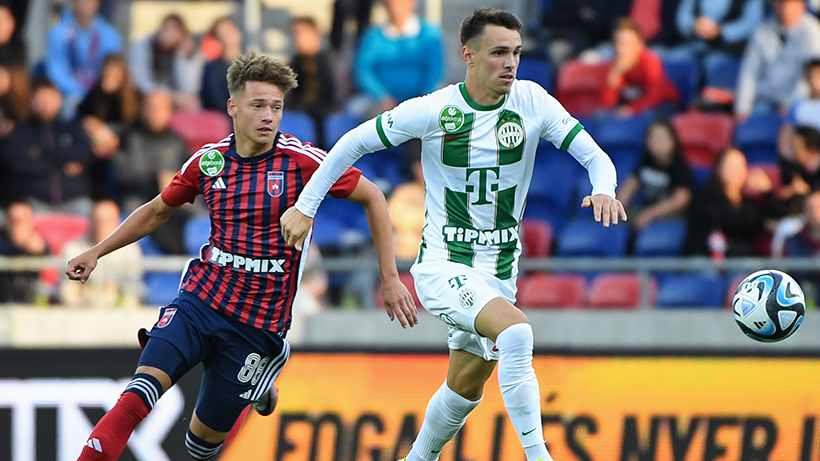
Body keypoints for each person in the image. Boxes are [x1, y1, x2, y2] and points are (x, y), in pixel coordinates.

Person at [281, 8, 626, 461]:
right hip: (444, 265)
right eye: (498, 52)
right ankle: (538, 456)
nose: (510, 63)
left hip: (499, 271)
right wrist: (306, 206)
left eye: (516, 53)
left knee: (464, 388)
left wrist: (604, 189)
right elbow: (353, 142)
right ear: (468, 55)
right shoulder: (436, 110)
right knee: (517, 335)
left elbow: (596, 157)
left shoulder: (532, 102)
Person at [66, 52, 416, 461]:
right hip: (201, 302)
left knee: (200, 447)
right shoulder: (210, 161)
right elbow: (158, 210)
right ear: (233, 106)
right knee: (137, 396)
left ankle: (260, 385)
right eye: (258, 105)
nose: (268, 116)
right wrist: (98, 251)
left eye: (276, 107)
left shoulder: (302, 162)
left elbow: (373, 197)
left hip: (257, 325)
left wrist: (389, 278)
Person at [2, 79, 94, 216]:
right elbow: (19, 164)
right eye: (40, 98)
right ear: (31, 101)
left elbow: (85, 156)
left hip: (76, 201)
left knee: (101, 213)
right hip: (35, 202)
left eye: (50, 97)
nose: (45, 103)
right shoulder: (20, 132)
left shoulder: (74, 129)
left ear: (60, 99)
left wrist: (42, 153)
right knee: (18, 213)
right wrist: (62, 164)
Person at [684, 147, 785, 257]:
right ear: (718, 168)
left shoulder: (747, 205)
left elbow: (780, 216)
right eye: (729, 166)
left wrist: (767, 192)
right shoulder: (705, 198)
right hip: (702, 259)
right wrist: (759, 222)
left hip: (737, 261)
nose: (734, 171)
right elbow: (729, 221)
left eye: (740, 166)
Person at [351, 0, 443, 119]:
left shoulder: (429, 35)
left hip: (421, 100)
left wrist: (424, 98)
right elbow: (363, 69)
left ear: (411, 4)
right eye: (391, 4)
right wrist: (381, 96)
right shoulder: (373, 36)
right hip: (381, 102)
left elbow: (436, 70)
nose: (395, 8)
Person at [735, 0, 820, 121]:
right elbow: (750, 71)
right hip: (765, 99)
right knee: (752, 123)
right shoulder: (762, 30)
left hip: (799, 102)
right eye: (781, 3)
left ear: (801, 5)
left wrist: (791, 103)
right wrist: (742, 107)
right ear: (774, 4)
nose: (785, 8)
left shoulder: (812, 31)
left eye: (790, 4)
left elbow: (813, 75)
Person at [44, 0, 123, 120]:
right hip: (69, 94)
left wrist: (95, 91)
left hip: (99, 92)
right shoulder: (58, 32)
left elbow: (113, 69)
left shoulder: (110, 35)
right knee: (70, 104)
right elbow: (56, 71)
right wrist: (80, 91)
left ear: (97, 3)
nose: (85, 4)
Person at [60, 200, 142, 308]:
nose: (100, 226)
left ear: (117, 223)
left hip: (118, 312)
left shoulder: (129, 251)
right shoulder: (73, 249)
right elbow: (68, 291)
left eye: (106, 221)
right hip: (82, 310)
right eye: (97, 221)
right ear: (90, 222)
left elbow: (132, 291)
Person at [617, 118, 693, 230]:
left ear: (673, 140)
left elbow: (681, 199)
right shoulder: (646, 162)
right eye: (652, 138)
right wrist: (617, 207)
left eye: (661, 138)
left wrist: (651, 213)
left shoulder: (678, 166)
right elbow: (629, 186)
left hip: (668, 215)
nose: (656, 143)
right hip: (644, 209)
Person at [601, 18, 680, 117]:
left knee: (648, 115)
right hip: (632, 107)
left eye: (627, 44)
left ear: (640, 44)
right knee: (601, 115)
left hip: (662, 105)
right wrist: (614, 75)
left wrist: (632, 109)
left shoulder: (650, 61)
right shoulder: (615, 66)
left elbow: (655, 96)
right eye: (618, 43)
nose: (621, 49)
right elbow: (607, 104)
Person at [129, 13, 204, 112]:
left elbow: (189, 88)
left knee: (194, 105)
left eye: (174, 30)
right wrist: (170, 96)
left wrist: (182, 57)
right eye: (166, 28)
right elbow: (140, 82)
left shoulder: (189, 52)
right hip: (148, 99)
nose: (168, 34)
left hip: (177, 102)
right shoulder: (144, 46)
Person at [288, 16, 339, 149]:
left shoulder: (327, 60)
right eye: (295, 35)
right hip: (300, 108)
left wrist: (334, 105)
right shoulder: (295, 61)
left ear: (315, 35)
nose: (298, 40)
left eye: (302, 35)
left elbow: (333, 86)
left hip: (323, 107)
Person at [674, 0, 764, 60]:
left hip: (731, 49)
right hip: (695, 43)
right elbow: (683, 17)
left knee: (716, 64)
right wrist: (695, 25)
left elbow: (751, 24)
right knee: (677, 60)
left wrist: (720, 31)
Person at [0, 202, 47, 303]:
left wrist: (40, 250)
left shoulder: (39, 240)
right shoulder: (2, 239)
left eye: (21, 221)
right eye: (13, 221)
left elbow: (50, 255)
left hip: (32, 300)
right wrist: (21, 245)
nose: (17, 226)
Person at [200, 17, 243, 112]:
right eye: (223, 34)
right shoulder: (211, 69)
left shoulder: (256, 66)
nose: (229, 37)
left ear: (238, 32)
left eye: (230, 31)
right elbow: (213, 100)